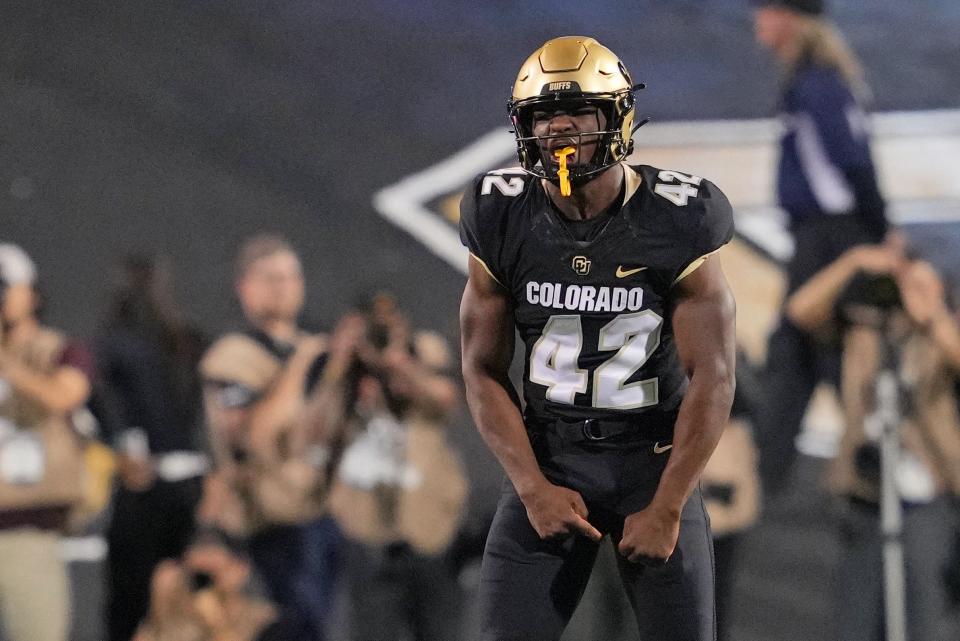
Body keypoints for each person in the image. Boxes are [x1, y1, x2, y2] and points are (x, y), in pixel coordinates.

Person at [459, 36, 736, 641]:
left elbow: (713, 376)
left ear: (615, 118)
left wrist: (667, 506)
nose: (559, 128)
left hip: (653, 463)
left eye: (580, 112)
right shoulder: (499, 212)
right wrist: (533, 488)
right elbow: (481, 368)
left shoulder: (677, 216)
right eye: (542, 115)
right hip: (553, 458)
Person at [786, 240, 960, 641]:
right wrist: (853, 262)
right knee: (856, 618)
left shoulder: (938, 334)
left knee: (924, 617)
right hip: (863, 491)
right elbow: (800, 311)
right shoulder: (864, 328)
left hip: (926, 496)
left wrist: (931, 314)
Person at [751, 0, 890, 493]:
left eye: (766, 10)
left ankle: (867, 468)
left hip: (831, 238)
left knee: (805, 346)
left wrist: (880, 230)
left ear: (792, 18)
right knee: (812, 355)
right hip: (828, 236)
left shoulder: (817, 83)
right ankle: (844, 471)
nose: (758, 21)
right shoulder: (812, 80)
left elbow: (853, 162)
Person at [198, 234, 342, 641]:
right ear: (245, 286)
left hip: (321, 510)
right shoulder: (233, 354)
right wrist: (303, 363)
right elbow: (253, 435)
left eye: (291, 277)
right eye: (270, 277)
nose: (283, 287)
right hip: (266, 519)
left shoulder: (316, 350)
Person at [322, 296, 468, 641]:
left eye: (391, 319)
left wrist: (394, 362)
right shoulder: (344, 367)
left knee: (439, 630)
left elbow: (445, 399)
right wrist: (338, 363)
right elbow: (318, 433)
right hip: (367, 529)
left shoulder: (422, 351)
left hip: (427, 528)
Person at [97, 255, 209, 641]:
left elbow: (106, 406)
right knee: (180, 603)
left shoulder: (118, 344)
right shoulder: (188, 343)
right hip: (183, 484)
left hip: (156, 487)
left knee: (138, 605)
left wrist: (127, 446)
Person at [0, 243, 93, 641]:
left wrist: (7, 363)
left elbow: (63, 395)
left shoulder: (59, 350)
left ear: (32, 294)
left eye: (5, 286)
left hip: (26, 527)